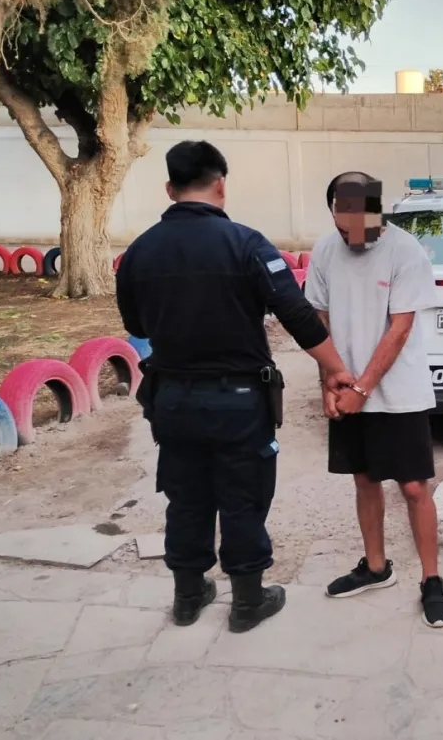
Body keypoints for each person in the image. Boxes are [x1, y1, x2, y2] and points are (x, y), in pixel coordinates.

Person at [116, 140, 353, 633]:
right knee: (242, 495)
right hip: (239, 400)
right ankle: (247, 600)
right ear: (220, 183)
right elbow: (297, 315)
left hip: (173, 399)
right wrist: (334, 368)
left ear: (169, 188)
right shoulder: (247, 244)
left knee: (185, 494)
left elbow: (136, 322)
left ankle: (188, 597)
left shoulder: (138, 252)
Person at [304, 172, 443, 629]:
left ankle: (432, 579)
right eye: (343, 214)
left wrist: (362, 389)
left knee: (413, 487)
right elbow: (320, 322)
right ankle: (375, 567)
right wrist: (329, 382)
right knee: (364, 480)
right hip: (347, 388)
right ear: (331, 211)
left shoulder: (404, 251)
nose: (354, 224)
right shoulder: (325, 250)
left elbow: (400, 328)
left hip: (399, 391)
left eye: (363, 213)